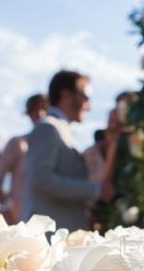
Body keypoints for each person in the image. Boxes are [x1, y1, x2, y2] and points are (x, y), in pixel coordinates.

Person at [22, 70, 115, 229]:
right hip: (48, 238)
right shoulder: (48, 127)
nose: (89, 106)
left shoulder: (63, 130)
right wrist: (96, 190)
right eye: (85, 97)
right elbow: (42, 179)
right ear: (66, 95)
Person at [0, 93, 48, 223]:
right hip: (20, 219)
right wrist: (6, 208)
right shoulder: (18, 143)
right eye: (34, 110)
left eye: (44, 109)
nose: (40, 114)